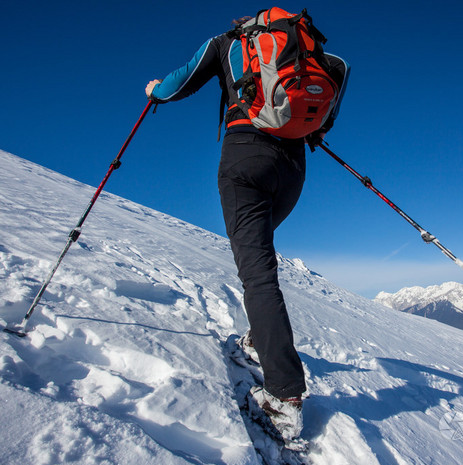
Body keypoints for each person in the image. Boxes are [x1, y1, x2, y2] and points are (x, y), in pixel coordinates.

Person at [145, 10, 349, 440]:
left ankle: (284, 395)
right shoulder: (308, 51)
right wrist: (316, 127)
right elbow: (339, 71)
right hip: (293, 169)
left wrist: (154, 91)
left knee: (257, 273)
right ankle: (259, 340)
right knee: (260, 256)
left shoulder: (226, 43)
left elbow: (176, 84)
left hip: (245, 160)